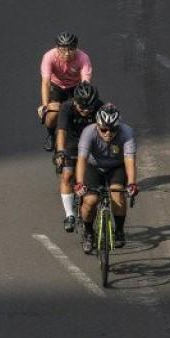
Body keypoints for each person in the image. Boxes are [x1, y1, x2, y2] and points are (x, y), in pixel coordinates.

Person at [73, 105, 138, 252]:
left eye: (113, 129)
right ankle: (88, 232)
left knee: (117, 194)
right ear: (97, 125)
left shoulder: (127, 132)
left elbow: (129, 160)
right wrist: (79, 183)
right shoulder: (88, 132)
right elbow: (82, 159)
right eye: (103, 130)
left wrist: (132, 183)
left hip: (116, 166)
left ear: (118, 126)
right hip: (93, 166)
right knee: (90, 200)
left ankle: (119, 231)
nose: (108, 133)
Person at [54, 82, 103, 233]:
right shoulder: (66, 107)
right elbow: (61, 131)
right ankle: (70, 215)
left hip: (92, 143)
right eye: (82, 107)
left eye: (90, 108)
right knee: (67, 175)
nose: (86, 111)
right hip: (72, 143)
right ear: (75, 102)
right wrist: (60, 152)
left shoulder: (99, 107)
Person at [38, 32, 93, 151]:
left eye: (71, 49)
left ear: (76, 48)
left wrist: (82, 101)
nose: (67, 53)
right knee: (52, 113)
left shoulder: (83, 58)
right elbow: (46, 82)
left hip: (75, 87)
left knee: (83, 110)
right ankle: (51, 135)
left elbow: (85, 83)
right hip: (56, 86)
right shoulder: (49, 56)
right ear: (57, 48)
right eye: (63, 50)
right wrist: (45, 105)